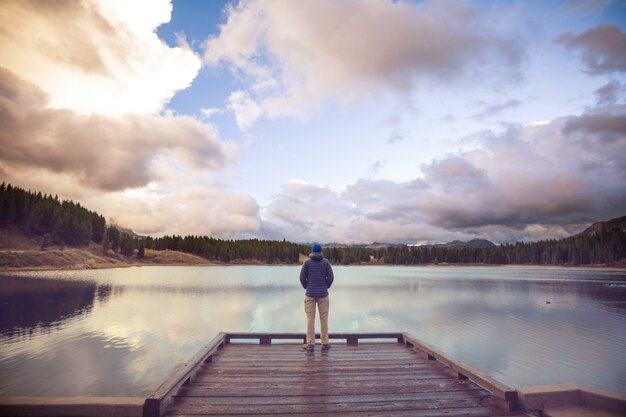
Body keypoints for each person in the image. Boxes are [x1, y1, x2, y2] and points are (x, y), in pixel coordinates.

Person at [299, 243, 334, 351]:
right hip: (323, 295)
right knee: (324, 319)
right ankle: (325, 343)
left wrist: (307, 287)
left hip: (310, 295)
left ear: (312, 251)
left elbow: (301, 278)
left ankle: (310, 344)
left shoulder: (307, 262)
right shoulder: (326, 262)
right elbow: (331, 277)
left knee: (310, 319)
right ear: (321, 251)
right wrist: (325, 286)